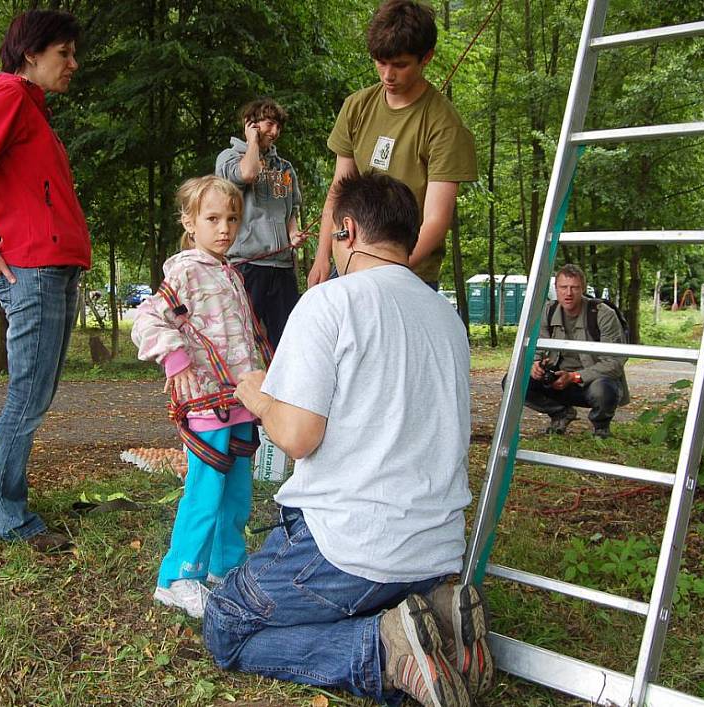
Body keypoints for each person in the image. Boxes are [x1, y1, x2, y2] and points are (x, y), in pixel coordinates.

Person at [203, 174, 493, 707]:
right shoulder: (447, 317)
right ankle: (436, 615)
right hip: (437, 549)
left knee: (226, 623)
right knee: (360, 592)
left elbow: (296, 437)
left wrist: (260, 397)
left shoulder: (329, 303)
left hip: (349, 550)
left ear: (348, 230)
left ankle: (384, 652)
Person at [0, 10, 90, 552]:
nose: (73, 64)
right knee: (27, 395)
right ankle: (7, 516)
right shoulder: (7, 97)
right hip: (32, 268)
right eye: (63, 53)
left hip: (52, 265)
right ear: (32, 54)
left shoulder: (29, 110)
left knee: (34, 393)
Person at [132, 176, 269, 619]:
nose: (225, 228)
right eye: (212, 219)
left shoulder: (228, 271)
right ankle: (177, 577)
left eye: (232, 218)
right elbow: (147, 321)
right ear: (190, 223)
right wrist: (176, 361)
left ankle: (225, 567)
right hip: (206, 404)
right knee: (205, 491)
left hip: (240, 401)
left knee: (237, 492)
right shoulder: (187, 271)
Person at [307, 0, 477, 291]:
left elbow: (437, 219)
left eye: (400, 65)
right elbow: (339, 190)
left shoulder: (444, 124)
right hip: (350, 266)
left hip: (411, 272)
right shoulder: (356, 106)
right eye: (381, 62)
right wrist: (323, 254)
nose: (388, 75)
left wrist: (389, 270)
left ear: (427, 57)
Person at [215, 98, 304, 348]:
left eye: (278, 126)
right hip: (247, 266)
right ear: (251, 124)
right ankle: (242, 387)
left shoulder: (284, 168)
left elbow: (291, 209)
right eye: (269, 124)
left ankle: (282, 387)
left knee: (287, 341)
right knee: (243, 339)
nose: (274, 132)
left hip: (282, 266)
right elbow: (247, 174)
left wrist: (293, 233)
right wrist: (252, 142)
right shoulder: (228, 158)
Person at [525, 263, 629, 438]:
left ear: (583, 289)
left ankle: (601, 427)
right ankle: (561, 413)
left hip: (592, 382)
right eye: (563, 287)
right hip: (557, 380)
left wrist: (574, 377)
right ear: (556, 289)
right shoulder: (548, 311)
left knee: (604, 389)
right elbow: (538, 348)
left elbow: (615, 363)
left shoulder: (603, 314)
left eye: (574, 287)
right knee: (514, 380)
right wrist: (534, 364)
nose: (568, 293)